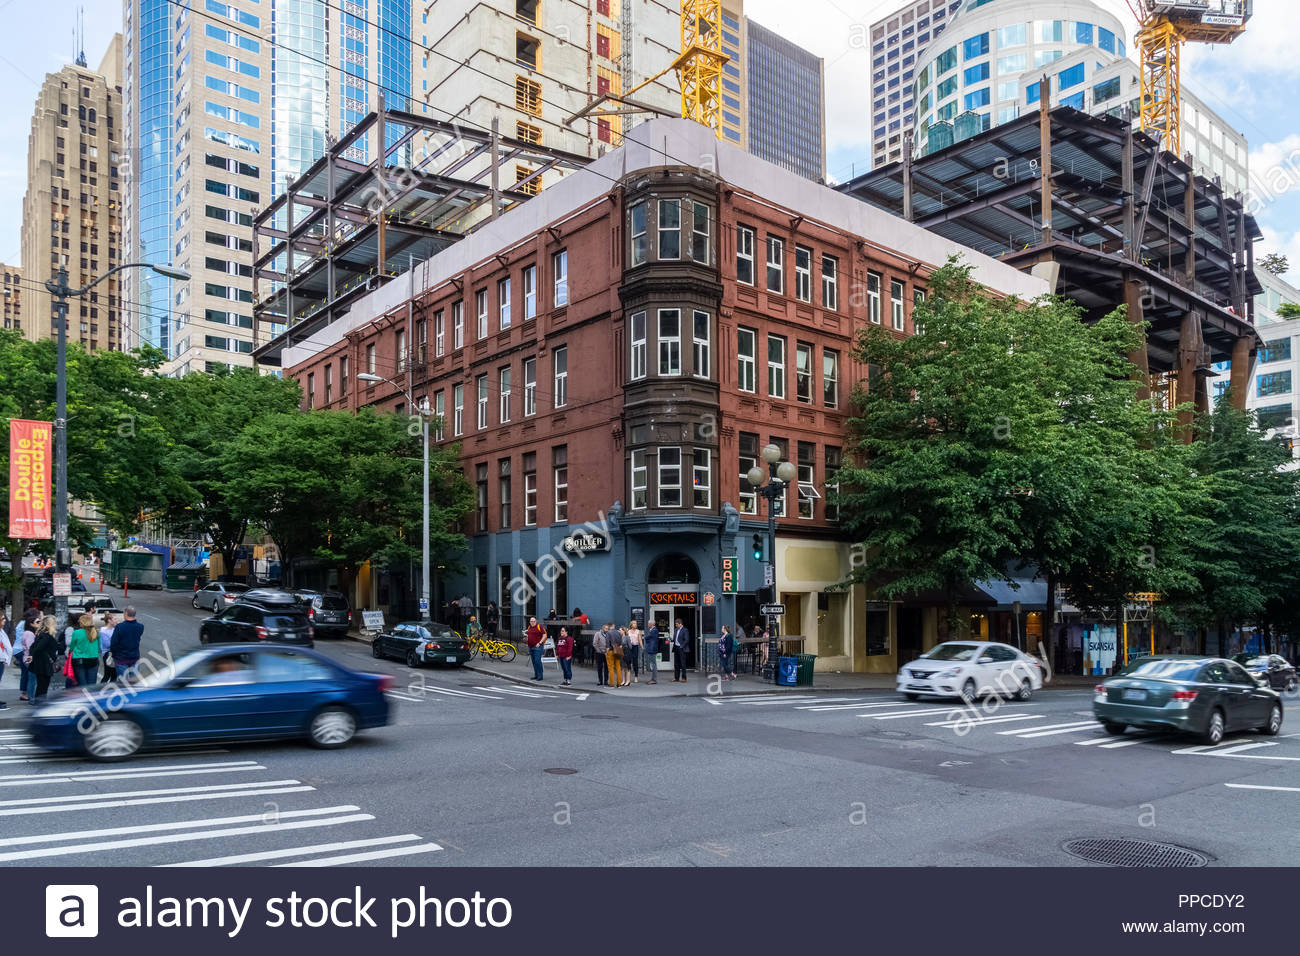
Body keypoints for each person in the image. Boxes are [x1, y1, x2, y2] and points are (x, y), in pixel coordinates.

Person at [27, 615, 59, 703]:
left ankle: (39, 703)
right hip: (44, 664)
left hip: (39, 664)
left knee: (41, 685)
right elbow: (38, 647)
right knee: (43, 686)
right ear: (51, 624)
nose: (56, 625)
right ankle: (40, 704)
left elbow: (33, 647)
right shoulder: (47, 636)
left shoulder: (40, 634)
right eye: (55, 623)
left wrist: (32, 655)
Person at [110, 606, 144, 681]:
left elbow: (113, 644)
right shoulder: (140, 626)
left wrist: (115, 655)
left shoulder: (119, 627)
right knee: (134, 683)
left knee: (123, 684)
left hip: (121, 659)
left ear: (125, 613)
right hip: (134, 657)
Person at [68, 613, 101, 689]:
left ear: (82, 623)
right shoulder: (95, 632)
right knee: (92, 685)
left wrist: (70, 653)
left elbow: (72, 647)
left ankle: (84, 699)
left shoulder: (76, 632)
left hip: (79, 660)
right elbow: (98, 647)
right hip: (93, 659)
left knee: (82, 685)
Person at [14, 608, 37, 701]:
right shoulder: (27, 626)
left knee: (25, 672)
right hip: (22, 650)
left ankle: (25, 692)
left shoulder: (21, 623)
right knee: (28, 672)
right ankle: (26, 693)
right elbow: (30, 644)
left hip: (18, 649)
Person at [525, 616, 547, 681]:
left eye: (534, 621)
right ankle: (536, 675)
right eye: (531, 621)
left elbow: (544, 635)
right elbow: (529, 636)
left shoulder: (539, 627)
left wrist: (539, 643)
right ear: (529, 622)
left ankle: (540, 676)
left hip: (538, 646)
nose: (532, 622)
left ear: (536, 621)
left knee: (537, 661)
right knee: (534, 662)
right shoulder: (529, 627)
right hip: (531, 647)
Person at [604, 623, 624, 689]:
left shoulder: (608, 633)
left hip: (610, 651)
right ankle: (619, 684)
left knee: (611, 668)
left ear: (609, 627)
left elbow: (607, 644)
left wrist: (606, 652)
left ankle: (611, 684)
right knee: (618, 667)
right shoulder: (619, 633)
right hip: (617, 651)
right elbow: (621, 644)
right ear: (613, 626)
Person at [98, 612, 117, 682]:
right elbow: (108, 644)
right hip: (107, 654)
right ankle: (100, 690)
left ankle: (111, 691)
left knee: (114, 675)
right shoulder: (103, 630)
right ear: (109, 620)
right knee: (107, 675)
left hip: (114, 653)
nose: (116, 621)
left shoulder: (114, 629)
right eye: (114, 619)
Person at [625, 619, 643, 685]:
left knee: (635, 662)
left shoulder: (638, 631)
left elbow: (640, 640)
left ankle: (636, 676)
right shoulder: (628, 631)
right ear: (631, 625)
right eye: (634, 623)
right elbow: (626, 639)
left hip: (635, 647)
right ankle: (628, 677)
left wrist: (642, 646)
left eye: (636, 623)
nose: (635, 624)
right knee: (628, 661)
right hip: (629, 647)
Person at [673, 617, 690, 682]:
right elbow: (675, 638)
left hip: (682, 648)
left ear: (680, 624)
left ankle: (684, 678)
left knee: (683, 664)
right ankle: (676, 678)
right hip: (676, 648)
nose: (676, 625)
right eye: (676, 624)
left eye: (677, 624)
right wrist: (672, 639)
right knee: (676, 664)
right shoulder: (676, 630)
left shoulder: (685, 630)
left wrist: (681, 646)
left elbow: (687, 639)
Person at [642, 619, 660, 684]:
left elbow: (649, 637)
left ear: (651, 624)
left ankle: (654, 680)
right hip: (651, 649)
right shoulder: (652, 630)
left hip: (652, 649)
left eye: (648, 623)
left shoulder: (654, 630)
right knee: (653, 664)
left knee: (653, 664)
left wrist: (644, 637)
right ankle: (653, 679)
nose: (647, 625)